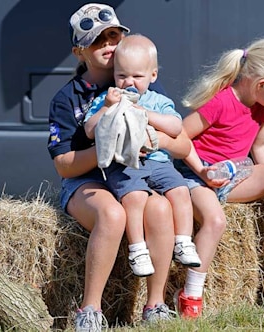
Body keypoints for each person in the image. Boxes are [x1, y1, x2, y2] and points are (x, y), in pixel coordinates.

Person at [47, 3, 190, 330]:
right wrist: (109, 149)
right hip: (87, 181)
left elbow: (183, 144)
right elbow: (64, 166)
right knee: (112, 214)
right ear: (79, 51)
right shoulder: (68, 98)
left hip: (133, 177)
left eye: (114, 36)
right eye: (98, 41)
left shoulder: (139, 81)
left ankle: (155, 305)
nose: (109, 45)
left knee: (160, 210)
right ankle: (90, 311)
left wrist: (156, 141)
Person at [174, 37, 264, 318]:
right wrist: (201, 170)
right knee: (216, 221)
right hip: (196, 176)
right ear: (262, 84)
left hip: (232, 174)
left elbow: (261, 147)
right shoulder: (220, 101)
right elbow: (180, 135)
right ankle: (190, 294)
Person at [84, 34, 201, 278]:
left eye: (137, 77)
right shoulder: (107, 99)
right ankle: (137, 248)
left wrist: (145, 113)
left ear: (152, 76)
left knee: (180, 190)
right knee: (134, 196)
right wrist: (107, 107)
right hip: (126, 164)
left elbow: (175, 127)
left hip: (157, 161)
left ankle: (183, 241)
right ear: (113, 75)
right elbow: (90, 130)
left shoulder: (158, 101)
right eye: (121, 76)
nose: (129, 83)